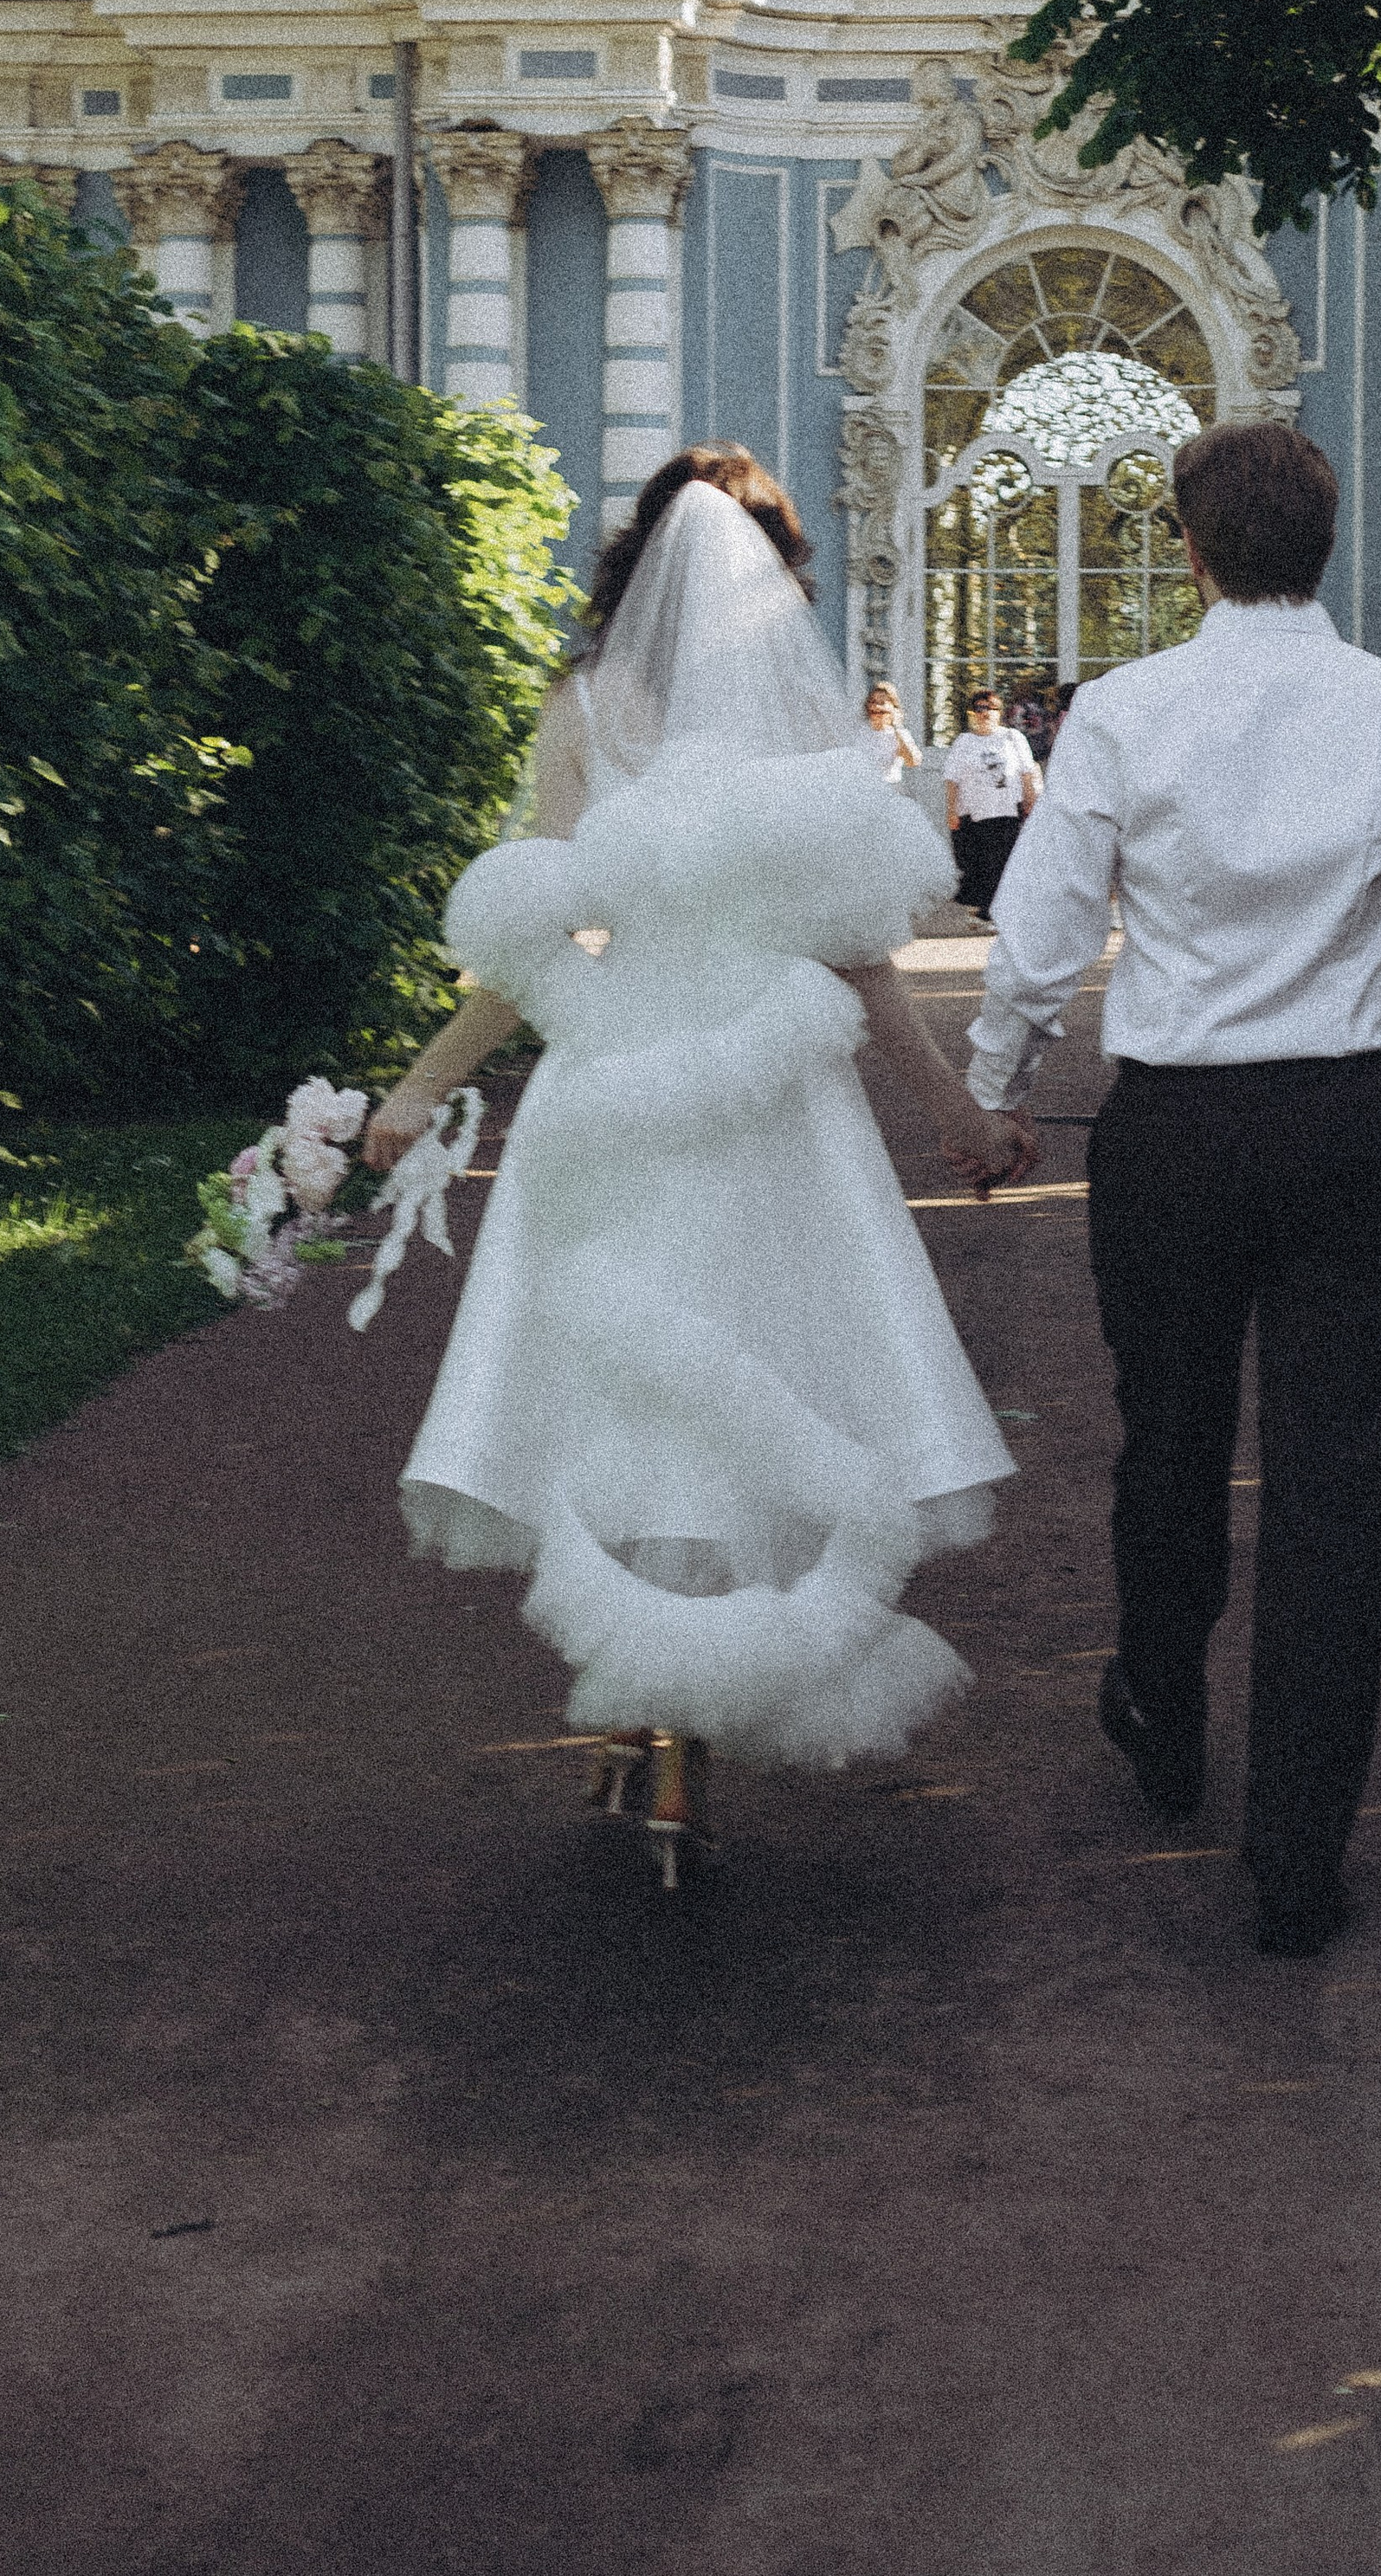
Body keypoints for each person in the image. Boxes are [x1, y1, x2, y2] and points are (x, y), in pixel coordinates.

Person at [364, 447, 1033, 1889]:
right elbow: (859, 957)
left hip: (615, 1093)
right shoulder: (806, 731)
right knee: (758, 1383)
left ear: (633, 568)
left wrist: (424, 1084)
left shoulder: (586, 714)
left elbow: (538, 927)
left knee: (634, 1393)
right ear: (773, 579)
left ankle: (657, 1719)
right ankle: (683, 1714)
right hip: (772, 1103)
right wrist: (953, 1114)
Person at [964, 422, 1381, 1959]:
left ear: (1191, 553)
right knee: (1334, 1496)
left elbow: (1046, 927)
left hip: (1175, 1138)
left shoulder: (1126, 716)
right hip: (1351, 1131)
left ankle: (1159, 1700)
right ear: (1323, 550)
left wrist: (996, 1092)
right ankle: (1297, 1860)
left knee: (1173, 1440)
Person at [944, 689, 1040, 920]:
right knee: (977, 864)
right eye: (979, 708)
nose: (984, 713)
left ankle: (999, 912)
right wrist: (951, 810)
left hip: (1007, 810)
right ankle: (983, 911)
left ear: (999, 712)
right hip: (974, 812)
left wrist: (1030, 800)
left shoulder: (1012, 738)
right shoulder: (964, 742)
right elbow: (951, 779)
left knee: (1003, 862)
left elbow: (1027, 772)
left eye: (990, 708)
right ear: (972, 713)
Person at [861, 680, 922, 783]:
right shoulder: (861, 731)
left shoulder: (898, 733)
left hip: (888, 790)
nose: (877, 707)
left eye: (882, 703)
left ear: (893, 707)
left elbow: (913, 761)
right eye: (873, 702)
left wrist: (897, 726)